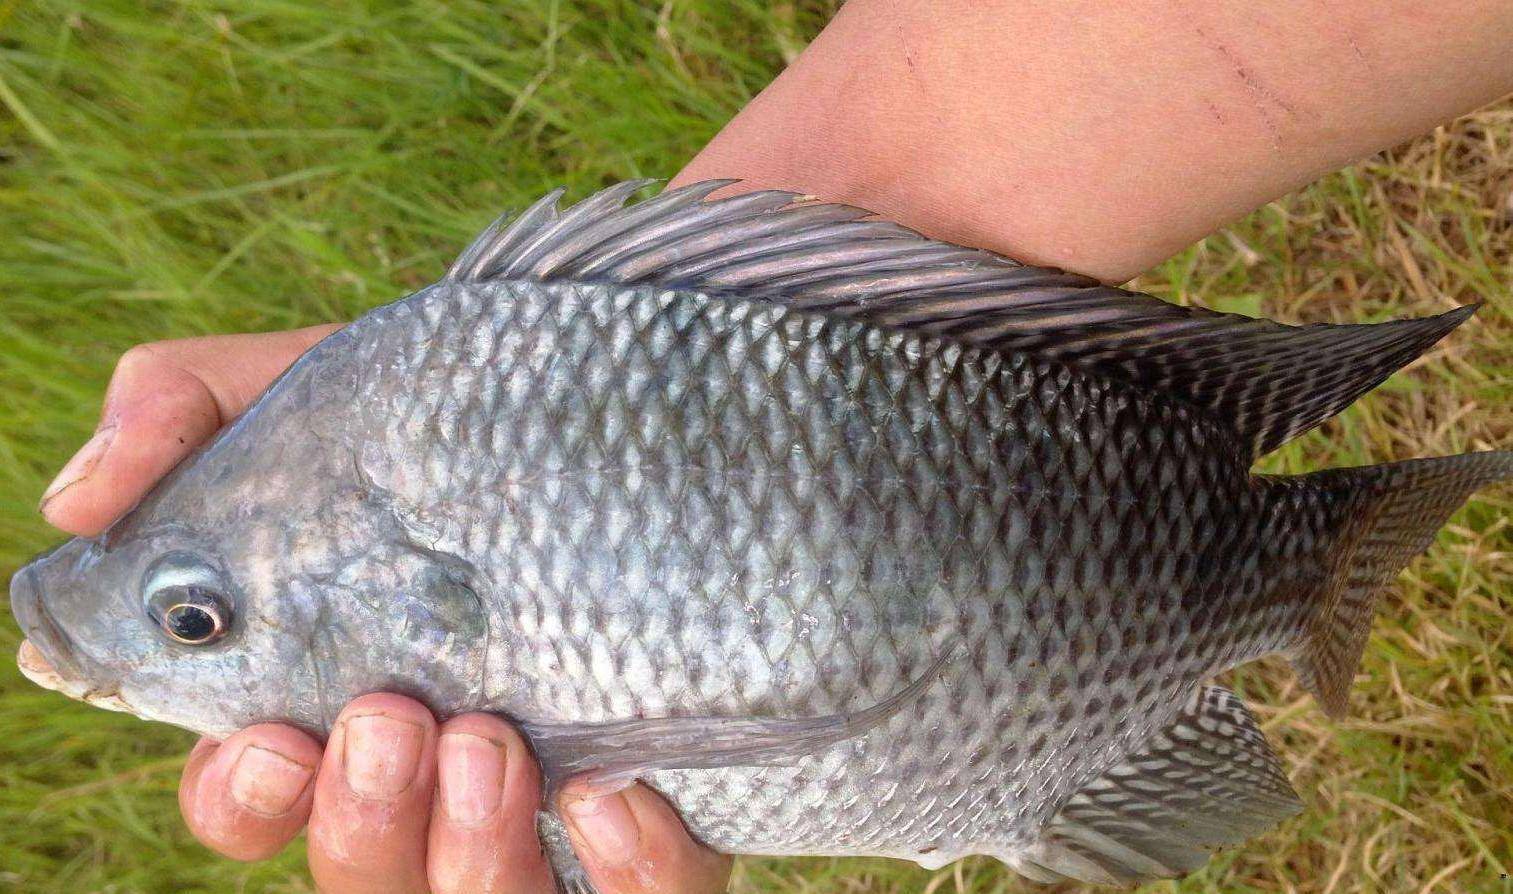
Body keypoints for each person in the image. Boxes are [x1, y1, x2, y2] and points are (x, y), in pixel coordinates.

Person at [35, 2, 1513, 892]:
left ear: (424, 602)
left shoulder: (386, 407)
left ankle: (1304, 554)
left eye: (194, 615)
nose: (168, 641)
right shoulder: (372, 397)